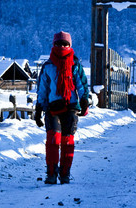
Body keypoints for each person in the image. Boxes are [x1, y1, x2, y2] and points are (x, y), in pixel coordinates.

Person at [35, 31, 89, 184]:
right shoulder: (48, 66)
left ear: (70, 45)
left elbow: (82, 84)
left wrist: (84, 99)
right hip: (53, 108)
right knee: (53, 141)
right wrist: (39, 108)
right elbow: (42, 89)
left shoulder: (75, 65)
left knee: (67, 142)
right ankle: (51, 174)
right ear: (54, 45)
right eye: (59, 43)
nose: (62, 46)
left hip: (70, 107)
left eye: (65, 44)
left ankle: (65, 174)